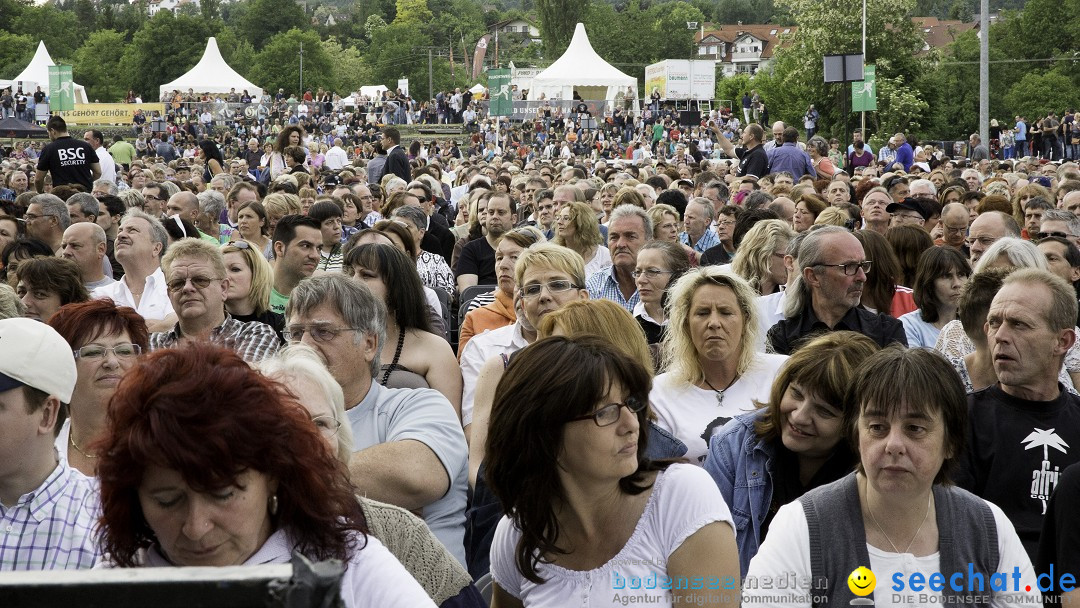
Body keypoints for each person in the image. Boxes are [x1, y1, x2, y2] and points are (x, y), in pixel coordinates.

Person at [94, 343, 436, 607]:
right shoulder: (113, 584)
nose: (196, 527)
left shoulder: (350, 565)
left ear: (272, 475)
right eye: (167, 500)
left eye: (223, 494)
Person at [743, 346, 1040, 607]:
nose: (893, 445)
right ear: (856, 435)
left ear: (950, 442)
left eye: (914, 429)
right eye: (877, 427)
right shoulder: (801, 525)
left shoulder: (988, 527)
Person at [486, 336, 740, 607]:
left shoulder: (681, 497)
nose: (631, 424)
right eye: (605, 412)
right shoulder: (519, 533)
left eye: (631, 402)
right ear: (544, 434)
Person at [284, 275, 468, 566]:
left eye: (323, 332)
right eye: (295, 333)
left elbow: (414, 475)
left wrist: (279, 484)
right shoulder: (278, 417)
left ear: (369, 344)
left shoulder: (419, 405)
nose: (304, 345)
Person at [705, 332, 878, 574]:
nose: (799, 416)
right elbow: (709, 561)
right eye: (796, 394)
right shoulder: (732, 445)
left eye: (824, 411)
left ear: (854, 424)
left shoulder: (876, 470)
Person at [955, 268, 1080, 561]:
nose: (1000, 336)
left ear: (1062, 341)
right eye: (994, 322)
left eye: (1019, 325)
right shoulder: (961, 417)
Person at [650, 268, 789, 464]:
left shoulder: (781, 373)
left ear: (745, 320)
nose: (714, 323)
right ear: (686, 324)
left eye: (726, 312)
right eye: (702, 313)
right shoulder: (660, 393)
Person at [344, 243, 462, 415]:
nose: (353, 281)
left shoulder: (435, 349)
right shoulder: (336, 340)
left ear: (396, 287)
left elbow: (450, 426)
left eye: (366, 275)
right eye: (350, 273)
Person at [767, 226, 906, 354]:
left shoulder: (886, 331)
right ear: (813, 276)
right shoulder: (783, 336)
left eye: (863, 265)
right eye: (849, 267)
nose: (862, 277)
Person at [47, 299, 148, 476]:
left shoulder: (158, 440)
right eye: (93, 352)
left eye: (124, 351)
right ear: (64, 364)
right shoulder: (45, 446)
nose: (112, 362)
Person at [149, 238, 280, 363]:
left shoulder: (254, 334)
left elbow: (239, 383)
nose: (187, 288)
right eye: (177, 283)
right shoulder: (153, 342)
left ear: (223, 288)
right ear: (169, 293)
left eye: (200, 280)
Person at [458, 228, 542, 355]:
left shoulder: (549, 305)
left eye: (514, 257)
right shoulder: (479, 307)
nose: (503, 265)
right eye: (499, 257)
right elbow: (467, 364)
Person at [91, 209, 177, 332]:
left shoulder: (176, 287)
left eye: (132, 231)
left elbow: (178, 324)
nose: (121, 235)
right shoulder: (101, 295)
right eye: (120, 231)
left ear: (156, 248)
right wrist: (157, 326)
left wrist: (119, 329)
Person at [899, 246, 971, 348]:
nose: (957, 284)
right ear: (928, 283)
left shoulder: (975, 325)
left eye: (961, 275)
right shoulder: (909, 325)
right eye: (946, 276)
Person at [585, 204, 651, 312]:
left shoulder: (662, 286)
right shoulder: (592, 286)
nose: (620, 244)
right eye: (614, 237)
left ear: (649, 242)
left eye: (630, 236)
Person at [222, 239, 285, 340]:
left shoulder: (280, 325)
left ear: (257, 275)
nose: (224, 277)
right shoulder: (204, 322)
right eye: (220, 270)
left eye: (235, 269)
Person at [633, 240, 691, 346]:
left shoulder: (691, 321)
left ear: (677, 276)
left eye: (652, 272)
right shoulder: (628, 323)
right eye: (637, 272)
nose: (641, 280)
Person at [270, 214, 322, 314]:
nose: (315, 255)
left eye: (319, 248)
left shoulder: (321, 299)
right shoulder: (252, 294)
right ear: (280, 248)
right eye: (306, 246)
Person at [34, 116, 101, 192]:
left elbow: (38, 179)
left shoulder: (49, 149)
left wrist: (40, 193)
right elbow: (98, 172)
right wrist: (88, 184)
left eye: (48, 133)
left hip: (62, 195)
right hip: (84, 193)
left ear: (53, 131)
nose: (49, 136)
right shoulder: (85, 146)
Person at [731, 219, 795, 296]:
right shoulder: (732, 294)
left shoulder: (788, 296)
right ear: (763, 256)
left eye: (793, 258)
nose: (791, 264)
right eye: (785, 257)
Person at [15, 257, 89, 323]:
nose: (24, 302)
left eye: (39, 294)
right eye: (21, 292)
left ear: (67, 303)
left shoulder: (87, 336)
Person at [553, 201, 610, 276]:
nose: (559, 222)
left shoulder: (603, 255)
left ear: (581, 223)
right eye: (558, 218)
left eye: (566, 218)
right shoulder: (555, 255)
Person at [60, 223, 114, 291]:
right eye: (64, 246)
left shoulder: (119, 293)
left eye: (75, 246)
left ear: (101, 249)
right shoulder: (52, 290)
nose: (65, 252)